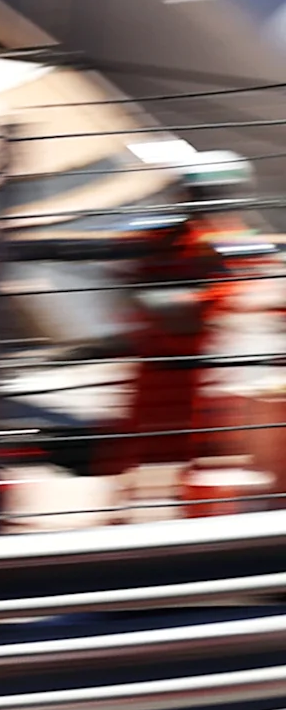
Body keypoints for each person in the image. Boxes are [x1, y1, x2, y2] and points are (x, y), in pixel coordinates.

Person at [107, 153, 261, 485]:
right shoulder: (164, 241)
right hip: (160, 375)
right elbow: (133, 285)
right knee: (145, 460)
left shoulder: (235, 244)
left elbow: (214, 304)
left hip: (201, 379)